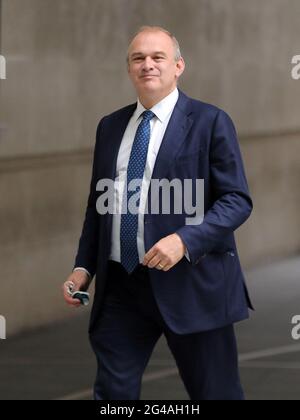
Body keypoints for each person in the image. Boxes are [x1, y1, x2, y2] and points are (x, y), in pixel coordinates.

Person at [62, 26, 253, 400]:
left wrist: (184, 240)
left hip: (193, 284)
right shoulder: (110, 126)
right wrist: (84, 267)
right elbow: (99, 204)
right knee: (113, 396)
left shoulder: (211, 122)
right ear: (129, 69)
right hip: (121, 287)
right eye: (138, 58)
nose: (147, 65)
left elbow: (236, 200)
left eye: (157, 57)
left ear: (178, 65)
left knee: (216, 393)